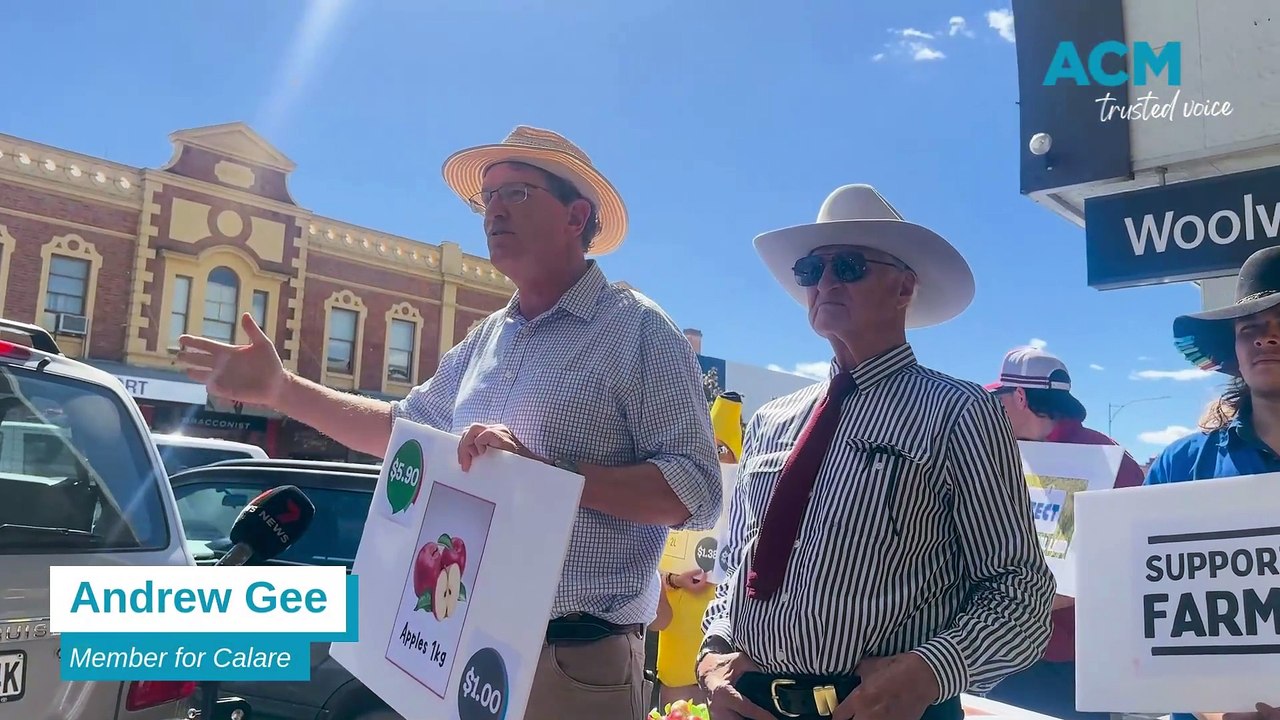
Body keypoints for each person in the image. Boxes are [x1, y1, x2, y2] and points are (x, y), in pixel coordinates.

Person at [176, 125, 723, 719]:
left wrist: (548, 474)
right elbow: (399, 431)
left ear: (576, 216)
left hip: (568, 663)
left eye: (515, 192)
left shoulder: (639, 331)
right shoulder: (486, 339)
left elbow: (693, 489)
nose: (493, 211)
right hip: (453, 644)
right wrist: (281, 389)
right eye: (486, 198)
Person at [696, 184, 1056, 720]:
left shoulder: (959, 412)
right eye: (810, 271)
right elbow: (736, 565)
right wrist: (714, 653)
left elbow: (1020, 590)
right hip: (753, 705)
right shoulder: (773, 420)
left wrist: (928, 671)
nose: (824, 283)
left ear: (904, 287)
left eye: (847, 265)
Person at [1146, 245, 1280, 720]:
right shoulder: (1179, 466)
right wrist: (1211, 707)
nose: (1267, 338)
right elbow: (1143, 600)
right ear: (1235, 353)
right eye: (1251, 330)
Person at [982, 345, 1145, 720]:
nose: (993, 409)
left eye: (999, 399)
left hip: (1071, 656)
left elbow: (1133, 561)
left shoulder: (1109, 463)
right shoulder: (1003, 456)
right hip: (1001, 643)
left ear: (1019, 396)